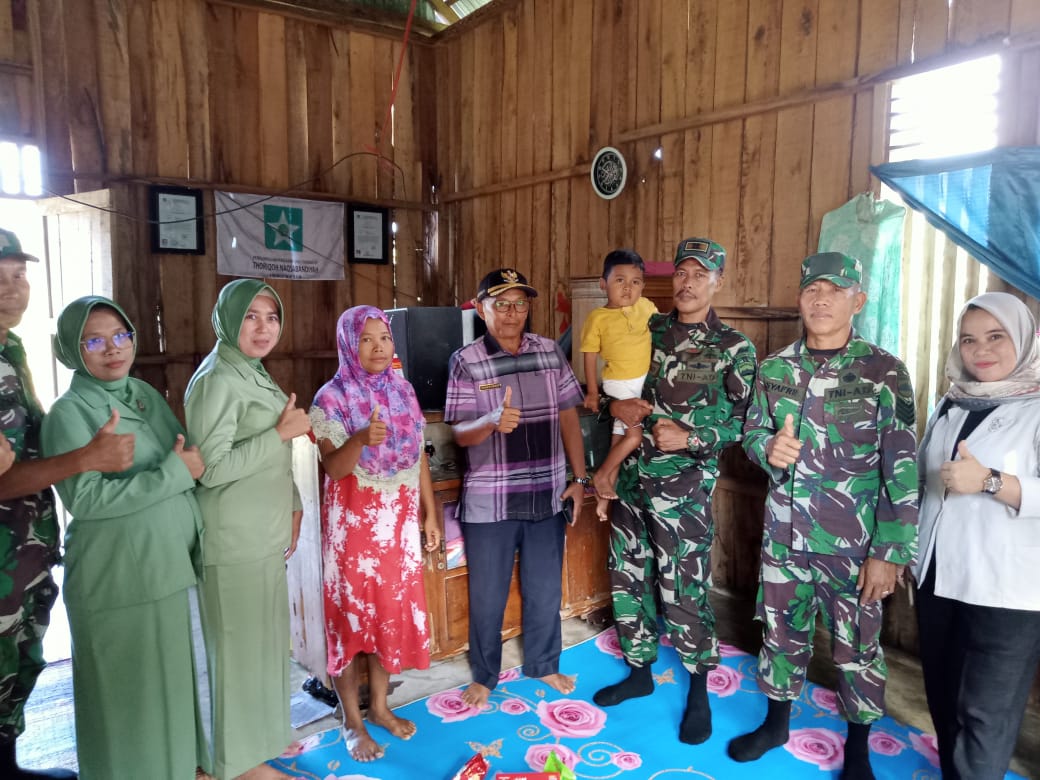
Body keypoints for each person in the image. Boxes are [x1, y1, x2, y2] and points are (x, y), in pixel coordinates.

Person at [729, 252, 918, 780]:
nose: (821, 298)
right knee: (780, 635)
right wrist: (767, 447)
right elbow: (749, 435)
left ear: (857, 300)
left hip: (854, 546)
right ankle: (776, 724)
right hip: (784, 539)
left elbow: (902, 469)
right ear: (800, 298)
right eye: (813, 288)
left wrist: (889, 553)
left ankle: (858, 749)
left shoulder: (885, 372)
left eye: (835, 290)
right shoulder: (774, 369)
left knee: (857, 647)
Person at [592, 237, 757, 746]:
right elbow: (609, 388)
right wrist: (609, 407)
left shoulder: (733, 348)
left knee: (683, 590)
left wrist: (693, 436)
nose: (687, 283)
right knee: (626, 578)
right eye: (681, 273)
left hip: (682, 492)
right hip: (629, 481)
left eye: (699, 275)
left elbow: (748, 423)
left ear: (718, 282)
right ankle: (639, 671)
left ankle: (699, 689)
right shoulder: (648, 327)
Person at [40, 296, 208, 780]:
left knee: (166, 688)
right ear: (72, 351)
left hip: (163, 565)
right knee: (123, 702)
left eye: (121, 335)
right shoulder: (69, 413)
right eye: (93, 340)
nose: (112, 349)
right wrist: (175, 474)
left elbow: (183, 453)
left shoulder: (142, 394)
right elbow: (87, 499)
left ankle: (177, 768)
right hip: (117, 578)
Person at [0, 228, 133, 780]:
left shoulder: (9, 348)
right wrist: (87, 457)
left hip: (24, 553)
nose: (13, 288)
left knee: (15, 666)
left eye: (19, 274)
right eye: (0, 277)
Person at [444, 268, 589, 709]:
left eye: (520, 303)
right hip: (492, 499)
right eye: (501, 303)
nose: (511, 313)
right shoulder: (466, 360)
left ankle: (544, 664)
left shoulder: (548, 352)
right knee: (487, 593)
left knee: (545, 589)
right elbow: (458, 433)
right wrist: (488, 423)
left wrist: (579, 480)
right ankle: (485, 675)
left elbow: (568, 416)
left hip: (546, 491)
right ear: (480, 307)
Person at [185, 279, 311, 780]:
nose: (264, 328)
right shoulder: (217, 378)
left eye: (272, 317)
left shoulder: (251, 372)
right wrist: (281, 432)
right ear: (226, 320)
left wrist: (296, 504)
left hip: (263, 535)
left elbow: (271, 453)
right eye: (251, 316)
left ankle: (252, 755)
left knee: (261, 655)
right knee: (236, 663)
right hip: (232, 539)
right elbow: (208, 469)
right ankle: (233, 767)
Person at [914, 291, 1040, 780]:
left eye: (995, 336)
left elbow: (978, 480)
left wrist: (992, 482)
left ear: (1026, 339)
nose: (980, 350)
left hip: (1007, 592)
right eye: (969, 339)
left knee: (984, 716)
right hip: (938, 580)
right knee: (943, 702)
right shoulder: (954, 399)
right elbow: (931, 486)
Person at [309, 306, 441, 762]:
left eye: (383, 336)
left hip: (399, 526)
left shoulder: (402, 390)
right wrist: (360, 439)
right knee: (351, 622)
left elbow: (417, 457)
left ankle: (381, 707)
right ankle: (352, 720)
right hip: (354, 530)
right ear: (349, 343)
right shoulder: (331, 398)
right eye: (366, 339)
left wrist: (429, 513)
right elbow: (334, 467)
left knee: (388, 616)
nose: (378, 347)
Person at [579, 249, 658, 520]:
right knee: (633, 437)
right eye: (620, 280)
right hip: (619, 384)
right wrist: (592, 391)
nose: (628, 288)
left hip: (641, 382)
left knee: (618, 441)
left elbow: (661, 334)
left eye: (635, 282)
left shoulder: (646, 307)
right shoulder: (598, 318)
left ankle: (603, 500)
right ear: (604, 284)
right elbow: (589, 356)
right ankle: (600, 476)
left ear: (643, 286)